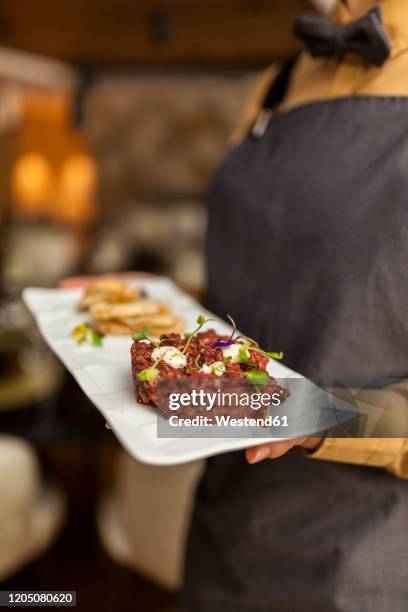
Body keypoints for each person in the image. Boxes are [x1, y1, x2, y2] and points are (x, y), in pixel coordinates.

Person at [182, 1, 408, 610]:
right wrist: (146, 304)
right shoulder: (274, 85)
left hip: (369, 572)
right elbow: (260, 295)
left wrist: (321, 415)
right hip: (224, 538)